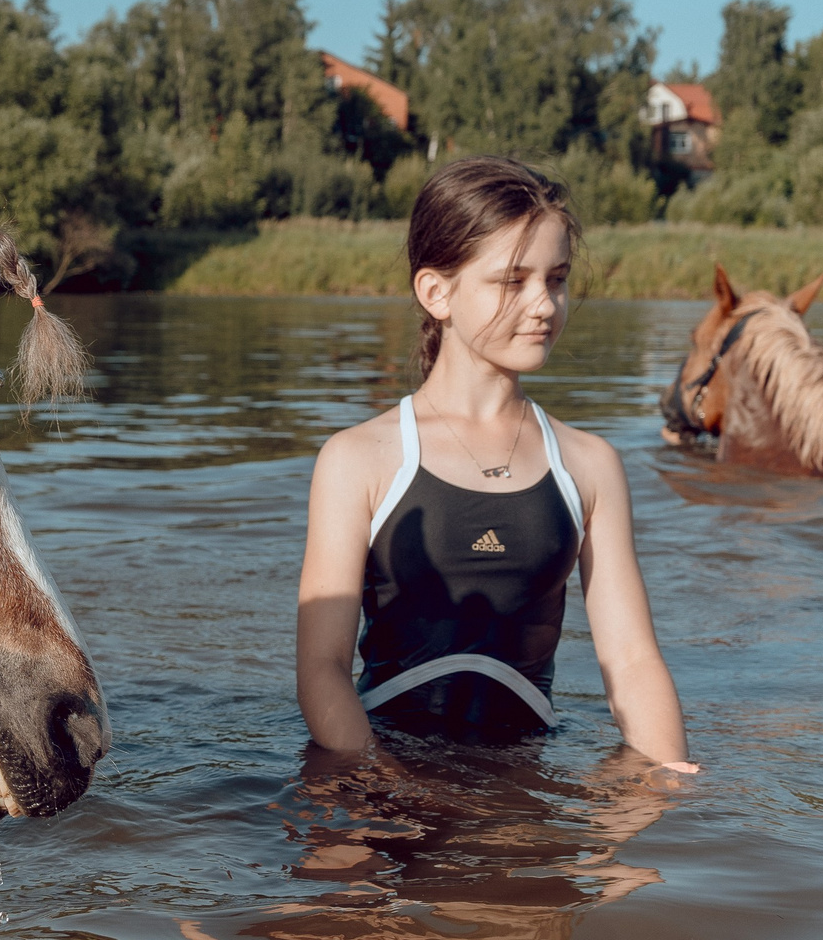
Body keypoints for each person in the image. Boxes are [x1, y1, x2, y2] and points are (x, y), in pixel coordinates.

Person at [294, 156, 694, 767]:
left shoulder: (589, 464)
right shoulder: (358, 459)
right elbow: (322, 670)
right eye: (513, 281)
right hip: (378, 769)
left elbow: (633, 662)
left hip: (522, 771)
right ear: (437, 292)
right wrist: (382, 789)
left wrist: (668, 788)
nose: (543, 305)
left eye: (556, 279)